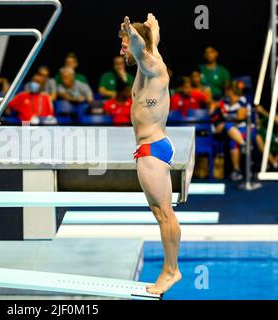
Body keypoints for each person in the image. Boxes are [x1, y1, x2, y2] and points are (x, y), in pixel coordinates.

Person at [119, 13, 180, 295]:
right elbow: (150, 45)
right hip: (157, 146)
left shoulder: (152, 65)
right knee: (164, 213)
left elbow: (139, 49)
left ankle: (170, 271)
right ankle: (171, 270)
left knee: (163, 215)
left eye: (123, 45)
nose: (121, 51)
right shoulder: (151, 63)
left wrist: (132, 35)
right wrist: (153, 28)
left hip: (151, 151)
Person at [218, 83, 252, 181]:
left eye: (226, 91)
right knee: (232, 138)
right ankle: (244, 146)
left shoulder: (242, 100)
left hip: (244, 128)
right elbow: (214, 106)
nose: (225, 93)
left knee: (232, 139)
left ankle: (237, 170)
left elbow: (241, 117)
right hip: (232, 131)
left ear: (230, 91)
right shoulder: (225, 102)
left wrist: (224, 123)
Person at [255, 104, 278, 170]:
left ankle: (274, 163)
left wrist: (263, 111)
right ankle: (274, 164)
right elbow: (257, 125)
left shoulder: (268, 112)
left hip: (275, 138)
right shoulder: (258, 116)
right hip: (267, 139)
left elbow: (276, 120)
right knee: (258, 138)